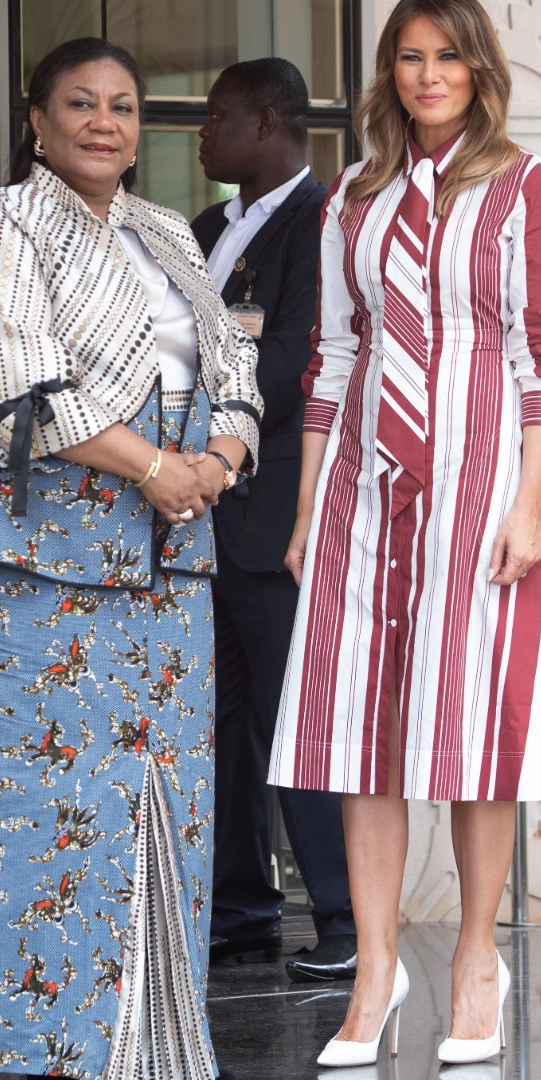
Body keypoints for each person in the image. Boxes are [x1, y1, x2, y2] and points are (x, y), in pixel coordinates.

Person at [0, 37, 261, 1080]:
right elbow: (13, 381)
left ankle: (159, 1042)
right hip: (42, 549)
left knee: (166, 794)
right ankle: (61, 1050)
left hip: (169, 542)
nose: (104, 122)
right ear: (37, 119)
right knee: (50, 791)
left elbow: (237, 359)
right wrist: (158, 466)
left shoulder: (166, 230)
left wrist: (220, 457)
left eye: (122, 105)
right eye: (80, 103)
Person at [268, 0, 541, 1068]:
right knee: (363, 736)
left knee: (472, 739)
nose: (429, 76)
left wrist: (529, 507)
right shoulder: (352, 195)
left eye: (447, 56)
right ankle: (373, 970)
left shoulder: (523, 185)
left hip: (480, 485)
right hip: (367, 490)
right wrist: (312, 503)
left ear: (478, 67)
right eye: (409, 57)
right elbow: (336, 359)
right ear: (389, 73)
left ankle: (473, 963)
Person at [191, 58, 356, 981]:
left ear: (268, 122)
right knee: (220, 726)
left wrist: (196, 408)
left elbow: (297, 359)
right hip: (200, 514)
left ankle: (339, 919)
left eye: (217, 118)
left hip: (275, 515)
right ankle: (241, 908)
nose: (204, 136)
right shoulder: (208, 225)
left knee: (296, 722)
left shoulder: (320, 222)